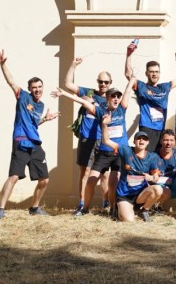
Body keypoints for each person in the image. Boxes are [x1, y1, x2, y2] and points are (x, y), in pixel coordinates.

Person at [52, 76, 136, 216]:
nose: (116, 99)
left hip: (118, 153)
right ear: (107, 99)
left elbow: (127, 91)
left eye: (117, 97)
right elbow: (82, 101)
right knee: (91, 181)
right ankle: (84, 208)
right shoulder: (100, 112)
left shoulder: (122, 109)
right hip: (103, 153)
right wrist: (64, 94)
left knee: (112, 182)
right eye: (113, 96)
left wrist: (132, 78)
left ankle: (113, 209)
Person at [0, 49, 60, 219]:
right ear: (30, 89)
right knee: (14, 176)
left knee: (44, 180)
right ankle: (0, 209)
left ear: (42, 87)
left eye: (39, 87)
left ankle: (34, 208)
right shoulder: (23, 96)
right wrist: (3, 65)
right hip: (21, 141)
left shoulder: (40, 105)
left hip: (35, 144)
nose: (37, 89)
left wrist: (46, 119)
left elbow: (33, 124)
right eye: (34, 87)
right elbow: (11, 82)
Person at [63, 57, 112, 214]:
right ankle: (82, 203)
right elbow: (68, 84)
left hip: (103, 139)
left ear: (110, 83)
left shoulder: (112, 98)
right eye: (100, 81)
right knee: (84, 172)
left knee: (105, 174)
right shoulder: (89, 92)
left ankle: (107, 203)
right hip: (87, 138)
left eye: (106, 82)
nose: (103, 84)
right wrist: (73, 65)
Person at [99, 115, 163, 222]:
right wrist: (105, 125)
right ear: (134, 141)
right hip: (125, 195)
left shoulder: (152, 157)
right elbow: (106, 141)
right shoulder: (126, 150)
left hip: (140, 195)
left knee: (158, 189)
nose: (141, 141)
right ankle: (117, 208)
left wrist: (151, 178)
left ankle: (144, 210)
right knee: (128, 220)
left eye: (144, 139)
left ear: (148, 143)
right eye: (139, 138)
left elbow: (156, 177)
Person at [125, 40, 176, 151]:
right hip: (147, 128)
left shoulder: (164, 87)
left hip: (161, 129)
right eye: (151, 71)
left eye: (157, 71)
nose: (154, 74)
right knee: (146, 156)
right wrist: (129, 55)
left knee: (158, 160)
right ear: (146, 73)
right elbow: (128, 75)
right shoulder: (142, 87)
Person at [154, 129, 176, 216]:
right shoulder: (153, 155)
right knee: (160, 189)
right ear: (161, 141)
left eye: (171, 140)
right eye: (166, 140)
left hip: (172, 186)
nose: (168, 143)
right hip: (157, 187)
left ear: (174, 142)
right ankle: (155, 207)